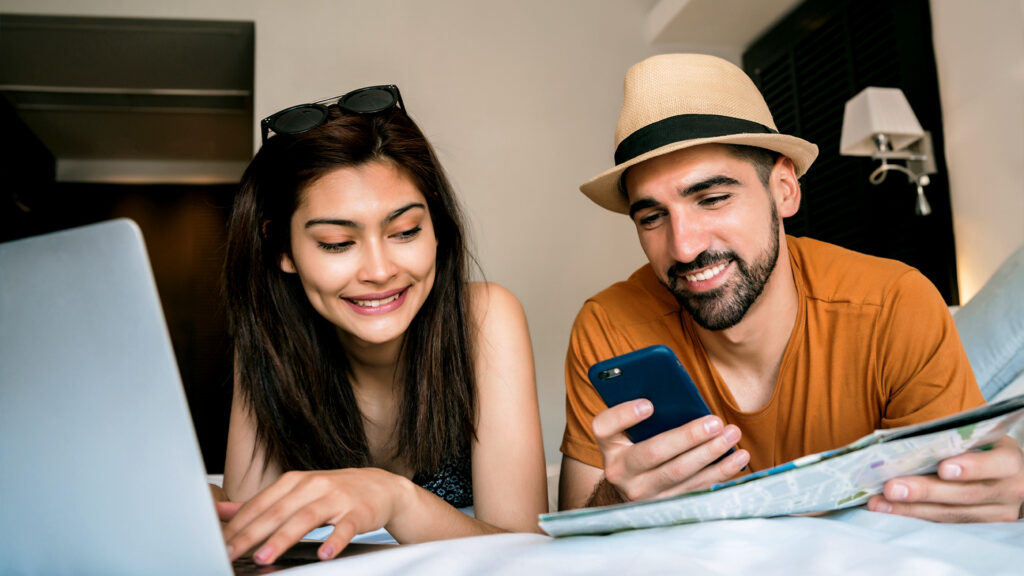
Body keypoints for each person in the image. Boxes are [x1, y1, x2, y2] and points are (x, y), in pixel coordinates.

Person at [558, 54, 1024, 522]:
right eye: (653, 217)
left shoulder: (894, 305)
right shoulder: (608, 327)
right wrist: (619, 500)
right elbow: (574, 530)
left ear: (784, 189)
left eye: (713, 199)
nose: (682, 248)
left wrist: (1006, 501)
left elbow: (962, 513)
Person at [211, 85, 547, 565]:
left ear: (437, 227)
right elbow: (251, 550)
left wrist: (397, 499)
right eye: (336, 243)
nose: (379, 270)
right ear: (282, 249)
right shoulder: (270, 342)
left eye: (405, 231)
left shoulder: (486, 318)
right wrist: (210, 509)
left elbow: (527, 557)